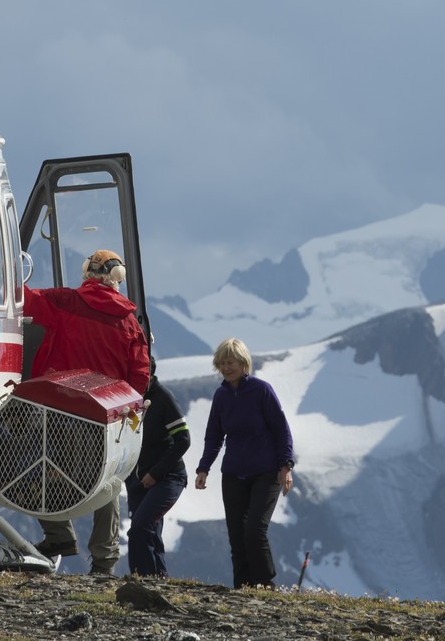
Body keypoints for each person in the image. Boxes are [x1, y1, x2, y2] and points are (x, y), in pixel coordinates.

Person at [24, 248, 150, 574]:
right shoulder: (128, 320)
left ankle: (58, 534)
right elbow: (140, 375)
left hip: (60, 405)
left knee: (39, 467)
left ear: (86, 274)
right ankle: (105, 560)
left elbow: (22, 299)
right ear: (117, 279)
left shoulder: (65, 301)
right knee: (106, 481)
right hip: (106, 414)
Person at [193, 337, 295, 588]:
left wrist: (286, 466)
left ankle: (266, 586)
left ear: (243, 363)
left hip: (266, 472)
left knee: (255, 530)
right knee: (237, 537)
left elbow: (281, 430)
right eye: (222, 363)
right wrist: (203, 468)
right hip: (234, 475)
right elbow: (214, 436)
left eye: (231, 362)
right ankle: (242, 587)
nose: (227, 368)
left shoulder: (261, 390)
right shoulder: (221, 396)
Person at [126, 363, 191, 576]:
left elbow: (183, 439)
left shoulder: (163, 398)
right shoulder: (127, 396)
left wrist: (155, 473)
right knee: (151, 533)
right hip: (137, 479)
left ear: (150, 374)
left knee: (140, 527)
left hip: (168, 477)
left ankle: (141, 581)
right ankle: (159, 582)